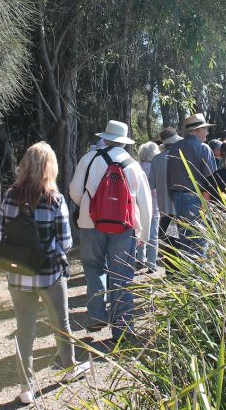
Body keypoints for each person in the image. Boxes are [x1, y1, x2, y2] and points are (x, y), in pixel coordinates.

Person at [0, 142, 89, 404]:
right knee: (61, 323)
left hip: (17, 273)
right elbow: (66, 242)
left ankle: (25, 387)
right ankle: (70, 368)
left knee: (24, 330)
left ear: (25, 164)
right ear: (51, 167)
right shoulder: (54, 199)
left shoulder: (9, 195)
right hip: (49, 273)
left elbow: (1, 234)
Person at [69, 120, 152, 342]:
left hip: (90, 224)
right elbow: (145, 203)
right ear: (124, 142)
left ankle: (96, 314)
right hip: (124, 228)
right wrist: (143, 233)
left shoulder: (88, 159)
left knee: (93, 267)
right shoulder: (132, 164)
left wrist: (89, 208)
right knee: (122, 277)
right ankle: (123, 331)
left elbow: (75, 192)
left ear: (104, 138)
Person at [166, 113, 217, 257]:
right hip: (197, 199)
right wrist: (209, 205)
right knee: (200, 241)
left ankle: (187, 276)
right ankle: (200, 277)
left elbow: (168, 178)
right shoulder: (203, 148)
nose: (207, 132)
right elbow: (210, 180)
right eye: (205, 129)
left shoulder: (174, 148)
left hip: (178, 198)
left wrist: (176, 197)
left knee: (183, 241)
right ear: (197, 130)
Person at [148, 127, 182, 275]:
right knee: (180, 245)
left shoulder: (156, 160)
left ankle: (170, 274)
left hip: (165, 212)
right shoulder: (181, 157)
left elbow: (151, 184)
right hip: (180, 210)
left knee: (168, 245)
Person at [135, 141, 160, 273]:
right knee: (153, 236)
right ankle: (151, 264)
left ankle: (140, 259)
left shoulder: (136, 167)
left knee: (139, 233)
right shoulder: (155, 168)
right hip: (154, 207)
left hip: (138, 207)